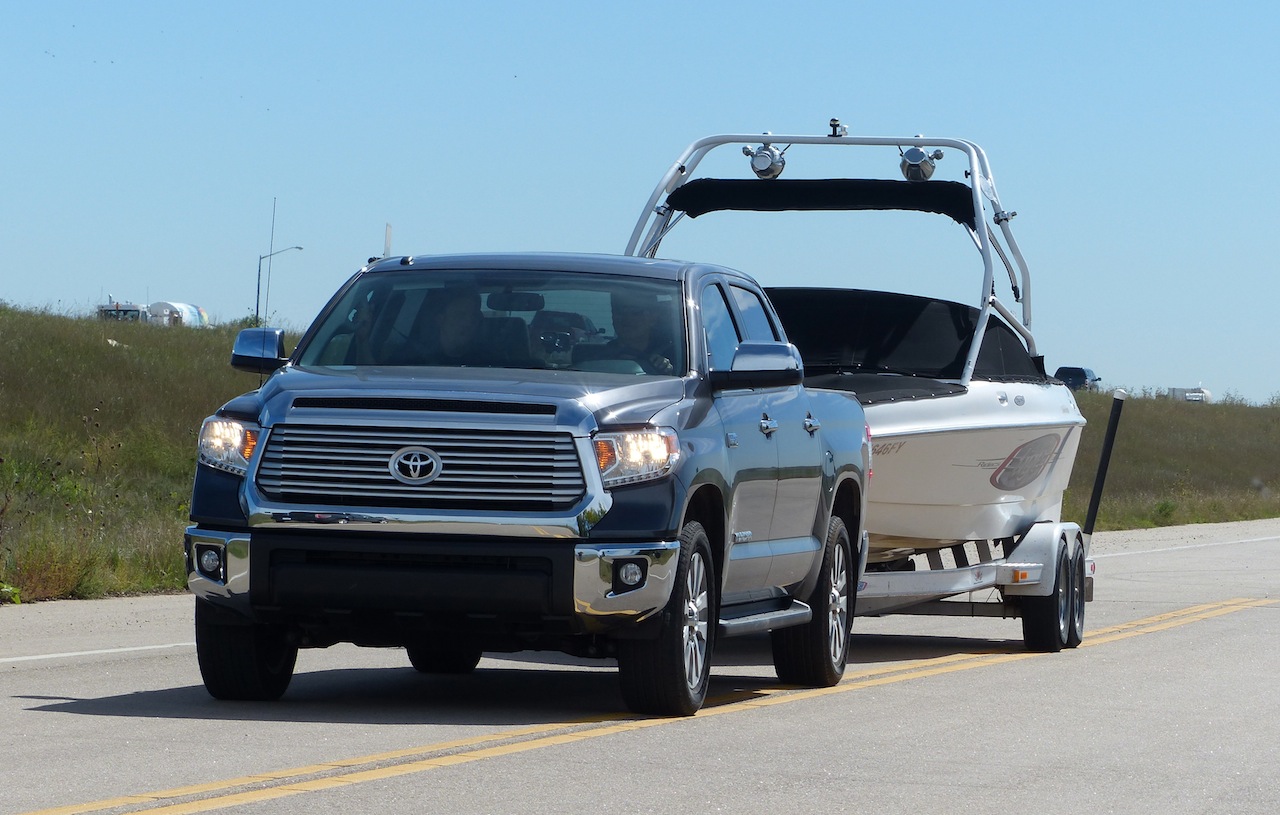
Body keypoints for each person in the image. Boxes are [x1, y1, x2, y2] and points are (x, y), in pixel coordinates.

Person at [604, 290, 676, 375]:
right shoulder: (600, 358)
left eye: (635, 312)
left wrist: (667, 372)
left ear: (653, 317)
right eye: (619, 311)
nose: (626, 319)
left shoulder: (678, 357)